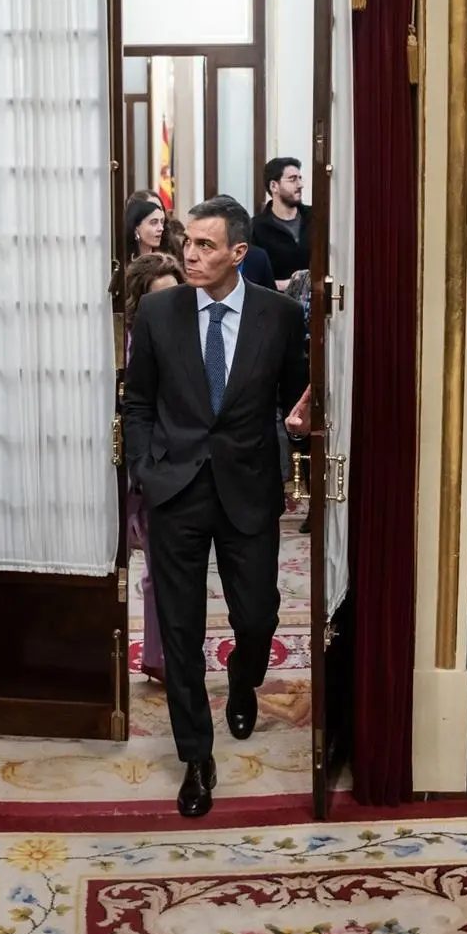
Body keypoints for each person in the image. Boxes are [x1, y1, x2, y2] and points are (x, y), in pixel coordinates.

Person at [122, 195, 308, 818]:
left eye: (204, 245)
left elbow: (293, 399)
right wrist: (147, 468)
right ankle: (196, 755)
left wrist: (297, 435)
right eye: (187, 243)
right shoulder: (158, 312)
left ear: (238, 252)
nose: (190, 255)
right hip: (175, 490)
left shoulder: (279, 316)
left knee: (257, 613)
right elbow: (138, 401)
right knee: (180, 631)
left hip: (249, 488)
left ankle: (245, 678)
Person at [120, 253, 187, 683]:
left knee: (166, 571)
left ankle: (163, 657)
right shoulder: (128, 343)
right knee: (147, 569)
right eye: (156, 300)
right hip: (139, 465)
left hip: (179, 464)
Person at [249, 157, 311, 282]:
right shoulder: (256, 228)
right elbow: (253, 279)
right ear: (274, 186)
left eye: (300, 178)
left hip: (317, 299)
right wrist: (285, 285)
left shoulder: (315, 217)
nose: (300, 185)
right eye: (292, 179)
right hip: (276, 299)